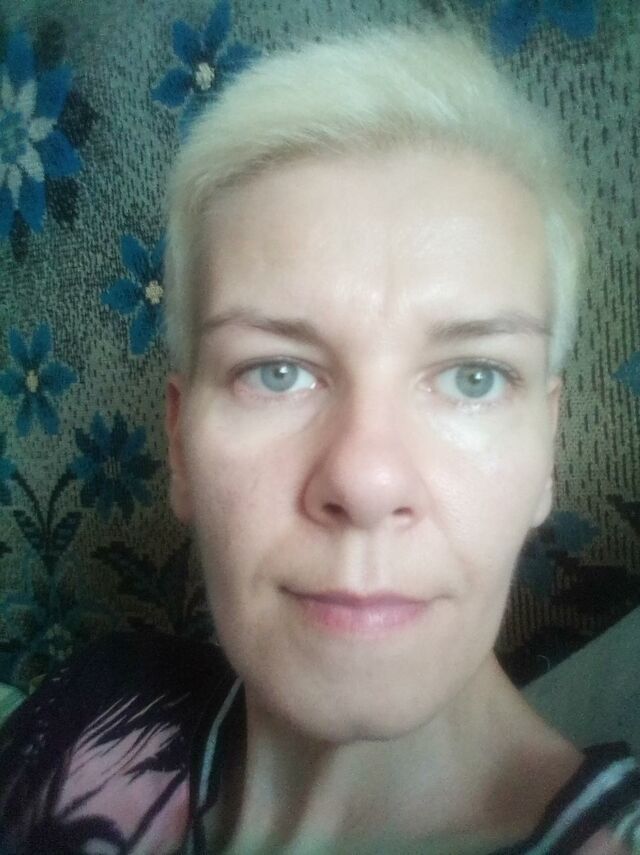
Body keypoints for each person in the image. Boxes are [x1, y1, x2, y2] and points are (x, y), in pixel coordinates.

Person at [1, 16, 639, 855]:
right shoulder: (88, 712)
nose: (367, 480)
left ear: (546, 452)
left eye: (473, 377)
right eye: (275, 371)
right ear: (179, 441)